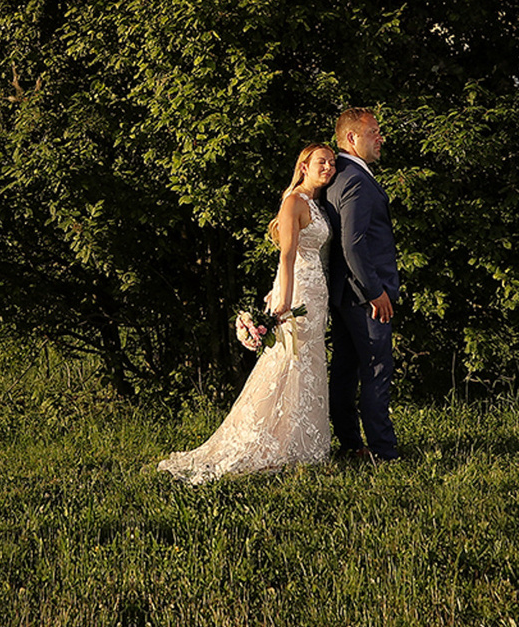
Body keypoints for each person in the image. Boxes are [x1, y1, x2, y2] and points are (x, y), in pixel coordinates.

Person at [156, 144, 338, 484]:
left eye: (331, 162)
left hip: (317, 294)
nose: (328, 167)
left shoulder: (316, 203)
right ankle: (266, 443)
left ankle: (299, 443)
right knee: (286, 364)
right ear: (304, 166)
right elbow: (286, 256)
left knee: (308, 365)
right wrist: (282, 298)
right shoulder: (294, 202)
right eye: (321, 162)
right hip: (298, 293)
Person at [322, 106, 403, 461]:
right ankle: (383, 451)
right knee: (375, 370)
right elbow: (352, 243)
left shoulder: (336, 175)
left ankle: (351, 444)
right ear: (352, 138)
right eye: (374, 132)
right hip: (365, 295)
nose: (381, 138)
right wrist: (376, 292)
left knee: (344, 370)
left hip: (344, 294)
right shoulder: (354, 179)